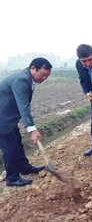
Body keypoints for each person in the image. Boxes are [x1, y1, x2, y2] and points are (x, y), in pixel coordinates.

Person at [0, 58, 52, 187]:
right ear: (33, 68)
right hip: (2, 117)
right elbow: (23, 105)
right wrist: (32, 129)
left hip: (8, 116)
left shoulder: (28, 78)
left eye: (47, 76)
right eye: (43, 74)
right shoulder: (22, 80)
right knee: (10, 147)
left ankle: (25, 167)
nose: (44, 78)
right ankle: (12, 178)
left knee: (17, 141)